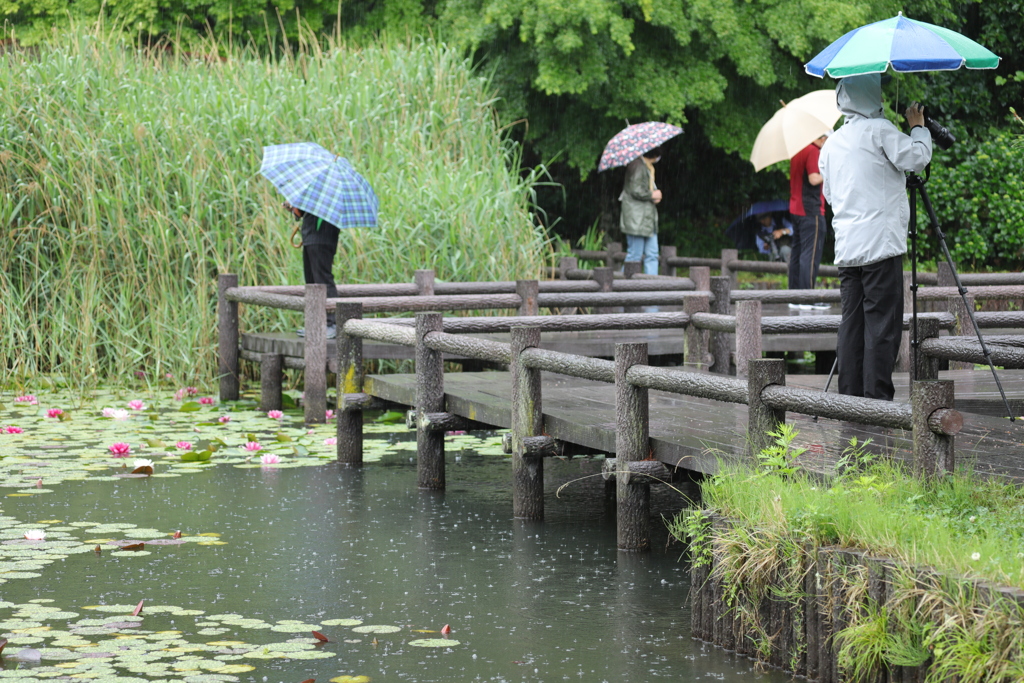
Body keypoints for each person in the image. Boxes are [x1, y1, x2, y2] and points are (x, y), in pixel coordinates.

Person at [818, 73, 932, 400]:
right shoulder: (880, 131)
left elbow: (829, 194)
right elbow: (917, 158)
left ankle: (850, 400)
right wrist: (918, 127)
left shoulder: (832, 143)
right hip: (880, 244)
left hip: (847, 247)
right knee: (882, 327)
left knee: (852, 325)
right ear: (873, 95)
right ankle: (878, 402)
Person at [284, 202, 340, 339]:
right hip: (309, 238)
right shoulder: (314, 193)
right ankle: (316, 325)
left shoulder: (331, 194)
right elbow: (302, 213)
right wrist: (294, 209)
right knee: (311, 282)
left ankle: (333, 323)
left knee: (323, 280)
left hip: (322, 239)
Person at [788, 133, 829, 302]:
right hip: (810, 210)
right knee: (810, 255)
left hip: (796, 208)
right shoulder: (813, 151)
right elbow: (813, 179)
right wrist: (829, 173)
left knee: (797, 253)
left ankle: (794, 297)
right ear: (822, 138)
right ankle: (808, 297)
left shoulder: (798, 150)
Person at [619, 146, 663, 275]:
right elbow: (635, 190)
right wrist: (652, 195)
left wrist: (652, 196)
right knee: (635, 255)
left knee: (652, 254)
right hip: (636, 218)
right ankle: (621, 285)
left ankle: (651, 287)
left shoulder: (646, 167)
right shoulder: (638, 166)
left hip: (646, 218)